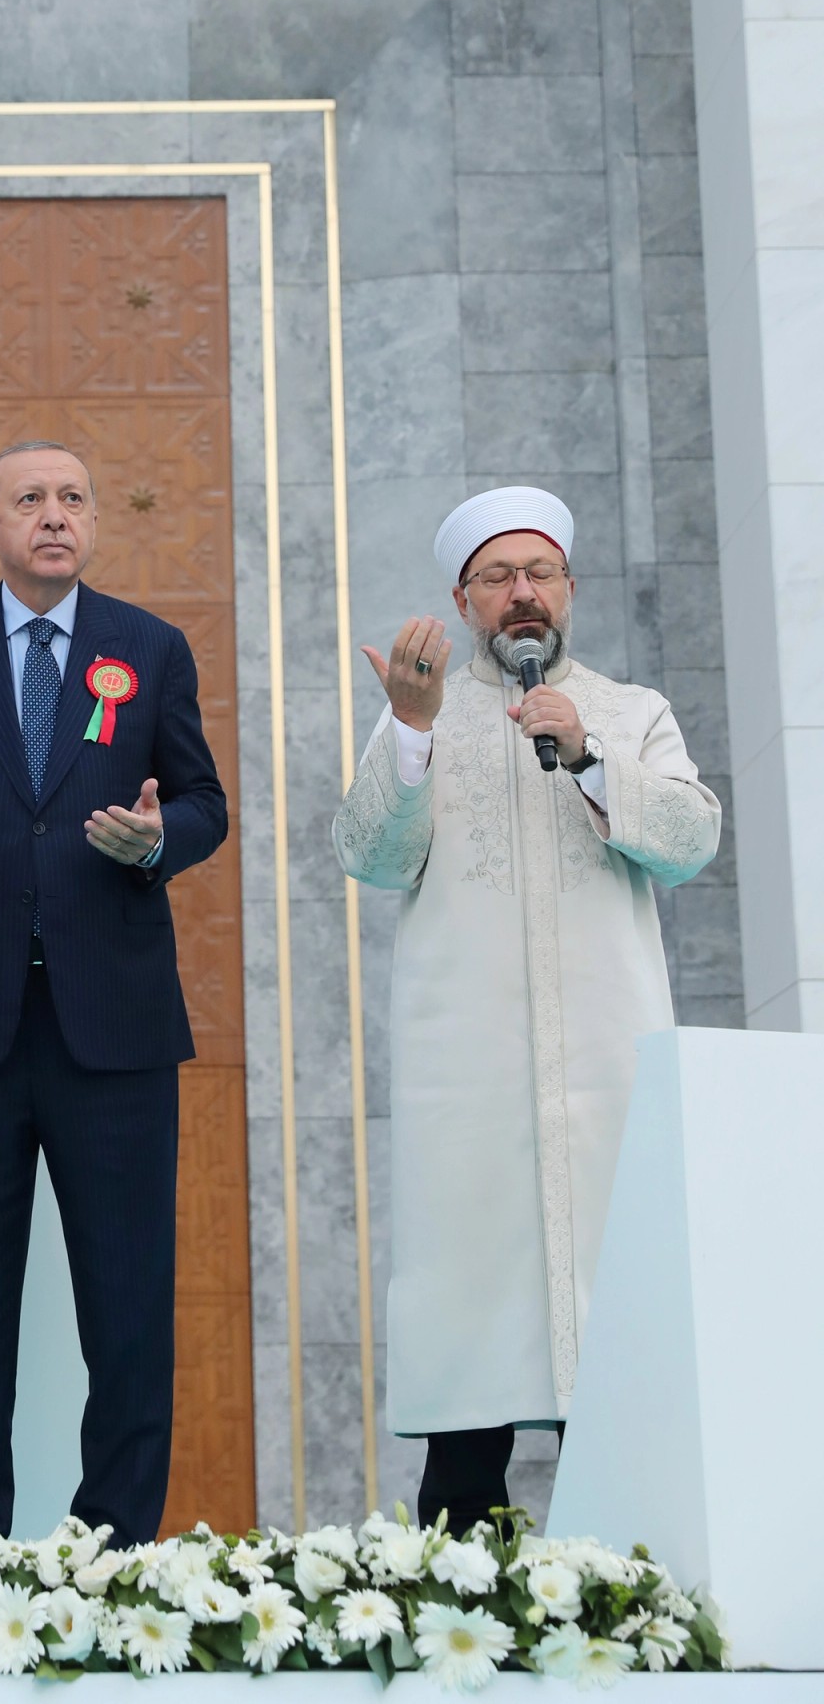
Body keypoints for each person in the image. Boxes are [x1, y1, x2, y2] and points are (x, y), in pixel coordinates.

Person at [0, 440, 228, 1548]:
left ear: (94, 523)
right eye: (29, 500)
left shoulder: (148, 649)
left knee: (128, 1310)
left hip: (113, 1032)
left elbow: (203, 803)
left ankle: (114, 1549)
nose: (53, 516)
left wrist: (157, 839)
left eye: (72, 499)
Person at [333, 485, 720, 1535]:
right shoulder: (419, 714)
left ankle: (636, 1593)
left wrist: (590, 753)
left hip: (605, 1077)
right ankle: (462, 1590)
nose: (522, 594)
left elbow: (690, 843)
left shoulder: (631, 711)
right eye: (498, 577)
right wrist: (409, 732)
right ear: (464, 602)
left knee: (620, 1350)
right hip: (472, 1090)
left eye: (538, 573)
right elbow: (367, 854)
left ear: (569, 589)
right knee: (472, 1357)